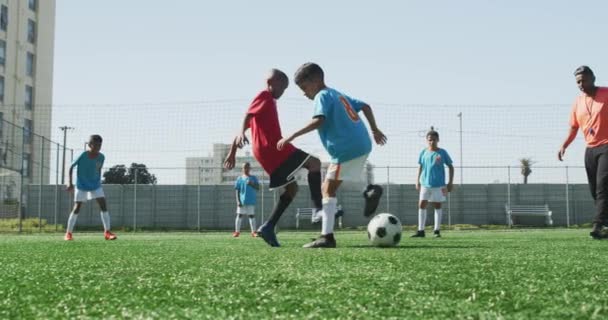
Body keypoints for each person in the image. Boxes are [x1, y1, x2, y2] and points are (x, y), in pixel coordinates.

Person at [278, 62, 387, 248]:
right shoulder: (338, 94)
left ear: (316, 80)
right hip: (362, 144)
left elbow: (318, 121)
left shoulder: (322, 95)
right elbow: (366, 106)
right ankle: (368, 191)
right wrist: (375, 130)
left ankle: (327, 237)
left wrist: (291, 136)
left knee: (327, 189)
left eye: (304, 87)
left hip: (346, 149)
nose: (304, 93)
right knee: (336, 184)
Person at [224, 69, 323, 247]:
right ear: (273, 83)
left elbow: (248, 122)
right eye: (283, 88)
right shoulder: (265, 96)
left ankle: (268, 227)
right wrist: (239, 133)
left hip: (266, 153)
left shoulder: (266, 102)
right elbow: (247, 116)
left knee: (291, 189)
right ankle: (318, 209)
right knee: (315, 164)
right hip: (274, 148)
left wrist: (232, 150)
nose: (283, 92)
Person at [558, 65, 608, 239]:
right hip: (590, 150)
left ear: (593, 78)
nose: (580, 84)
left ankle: (598, 225)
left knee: (603, 187)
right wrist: (565, 145)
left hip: (607, 147)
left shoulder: (606, 94)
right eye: (578, 81)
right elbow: (574, 127)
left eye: (583, 80)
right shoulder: (577, 102)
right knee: (595, 190)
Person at [64, 135, 117, 241]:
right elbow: (70, 166)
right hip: (81, 185)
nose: (98, 147)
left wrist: (98, 181)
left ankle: (107, 232)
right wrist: (69, 182)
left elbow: (98, 169)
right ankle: (68, 234)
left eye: (100, 145)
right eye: (95, 144)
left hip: (95, 185)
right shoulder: (82, 154)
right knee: (77, 207)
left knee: (103, 205)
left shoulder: (102, 157)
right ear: (89, 145)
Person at [411, 128, 454, 238]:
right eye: (429, 140)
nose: (432, 142)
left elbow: (450, 166)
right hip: (425, 183)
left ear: (438, 140)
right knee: (421, 205)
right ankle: (421, 231)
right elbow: (420, 166)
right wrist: (417, 181)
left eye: (434, 140)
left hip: (439, 185)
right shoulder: (423, 152)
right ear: (427, 140)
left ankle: (436, 231)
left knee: (437, 205)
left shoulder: (442, 152)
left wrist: (450, 182)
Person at [233, 162, 259, 237]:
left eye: (247, 167)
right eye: (244, 167)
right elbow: (237, 190)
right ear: (242, 169)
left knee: (251, 216)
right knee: (239, 215)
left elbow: (258, 188)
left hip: (250, 200)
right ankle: (237, 232)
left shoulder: (253, 178)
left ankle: (253, 232)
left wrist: (251, 184)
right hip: (241, 201)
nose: (246, 169)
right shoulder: (239, 178)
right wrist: (238, 201)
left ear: (250, 169)